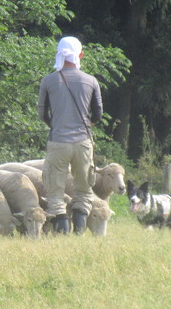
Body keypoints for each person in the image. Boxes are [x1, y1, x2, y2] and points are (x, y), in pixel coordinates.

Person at [37, 36, 103, 234]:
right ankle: (79, 232)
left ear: (58, 53)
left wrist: (55, 125)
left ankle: (62, 232)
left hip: (57, 142)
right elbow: (98, 113)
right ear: (80, 55)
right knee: (83, 191)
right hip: (83, 143)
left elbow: (42, 113)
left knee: (55, 192)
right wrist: (86, 125)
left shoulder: (48, 80)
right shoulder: (91, 81)